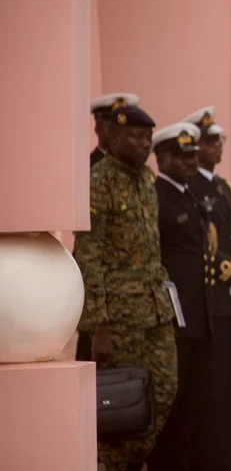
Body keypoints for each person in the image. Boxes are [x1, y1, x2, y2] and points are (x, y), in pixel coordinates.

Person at [73, 104, 178, 471]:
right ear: (114, 137)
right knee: (122, 398)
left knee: (163, 389)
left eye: (148, 137)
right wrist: (97, 325)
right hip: (119, 317)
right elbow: (89, 254)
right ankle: (110, 463)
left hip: (155, 309)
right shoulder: (98, 181)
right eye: (136, 137)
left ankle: (133, 458)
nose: (144, 144)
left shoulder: (146, 180)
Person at [182, 105, 231, 470]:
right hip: (213, 302)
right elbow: (205, 246)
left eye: (220, 140)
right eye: (211, 141)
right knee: (212, 394)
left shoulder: (221, 187)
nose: (218, 147)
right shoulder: (191, 187)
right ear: (195, 147)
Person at [146, 122, 215, 471]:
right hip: (173, 319)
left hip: (197, 317)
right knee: (172, 408)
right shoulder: (158, 196)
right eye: (181, 156)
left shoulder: (188, 194)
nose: (191, 162)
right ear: (162, 158)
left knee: (192, 406)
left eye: (192, 155)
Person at [74, 92, 141, 364]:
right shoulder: (88, 170)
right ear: (99, 127)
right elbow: (90, 247)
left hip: (133, 300)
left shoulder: (137, 172)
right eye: (112, 124)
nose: (118, 131)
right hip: (100, 287)